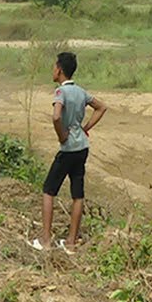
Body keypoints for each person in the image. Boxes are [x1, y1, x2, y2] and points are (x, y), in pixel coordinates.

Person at [32, 51, 107, 253]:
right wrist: (85, 128)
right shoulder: (81, 91)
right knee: (77, 194)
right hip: (82, 147)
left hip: (68, 148)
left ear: (59, 70)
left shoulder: (60, 93)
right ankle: (71, 242)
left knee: (49, 191)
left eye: (54, 67)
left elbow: (56, 117)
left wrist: (62, 136)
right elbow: (101, 107)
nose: (53, 70)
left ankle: (46, 240)